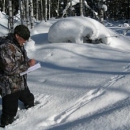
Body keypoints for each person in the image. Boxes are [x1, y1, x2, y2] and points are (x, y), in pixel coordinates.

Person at [0, 25, 36, 127]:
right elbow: (10, 69)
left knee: (29, 99)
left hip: (20, 80)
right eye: (23, 39)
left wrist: (28, 62)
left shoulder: (17, 43)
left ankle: (33, 108)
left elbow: (20, 58)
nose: (24, 42)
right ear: (17, 35)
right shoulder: (5, 47)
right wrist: (28, 65)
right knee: (9, 112)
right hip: (9, 84)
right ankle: (5, 125)